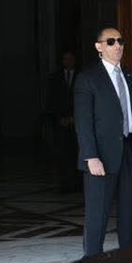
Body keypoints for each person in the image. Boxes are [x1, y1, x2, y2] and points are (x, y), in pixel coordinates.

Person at [74, 26, 132, 257]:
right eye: (111, 42)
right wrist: (90, 156)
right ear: (99, 47)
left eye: (120, 41)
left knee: (128, 212)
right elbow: (83, 122)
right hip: (101, 156)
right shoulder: (88, 79)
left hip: (129, 150)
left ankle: (127, 261)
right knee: (97, 215)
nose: (117, 45)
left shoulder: (131, 77)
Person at [46, 49, 79, 191]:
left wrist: (75, 118)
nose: (68, 61)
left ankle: (77, 184)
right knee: (61, 153)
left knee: (76, 153)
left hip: (77, 122)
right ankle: (63, 184)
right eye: (65, 59)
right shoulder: (55, 78)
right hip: (60, 123)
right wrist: (59, 118)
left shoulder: (81, 77)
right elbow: (51, 101)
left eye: (70, 58)